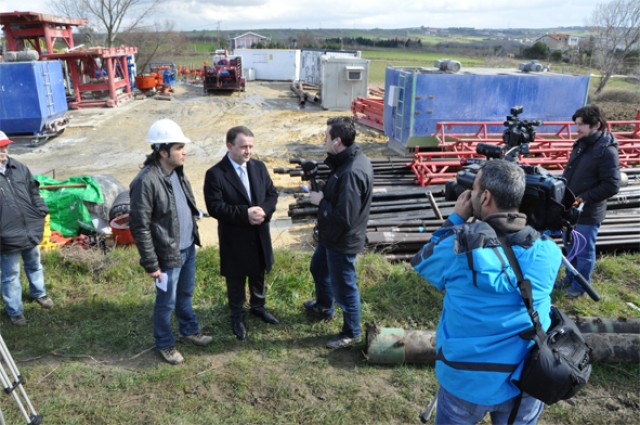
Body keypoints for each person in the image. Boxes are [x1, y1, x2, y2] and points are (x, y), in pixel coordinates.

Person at [411, 160, 562, 424]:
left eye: (475, 187)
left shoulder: (457, 246)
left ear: (486, 196)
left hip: (465, 379)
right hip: (525, 377)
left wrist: (456, 218)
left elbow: (423, 261)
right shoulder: (549, 252)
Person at [129, 119, 212, 365]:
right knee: (166, 302)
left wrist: (196, 213)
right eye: (179, 148)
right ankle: (164, 343)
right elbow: (140, 227)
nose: (184, 151)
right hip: (166, 257)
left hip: (187, 248)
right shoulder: (145, 181)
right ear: (162, 151)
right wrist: (151, 264)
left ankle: (188, 330)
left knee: (186, 293)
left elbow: (180, 205)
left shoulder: (176, 171)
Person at [303, 117, 374, 349]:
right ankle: (324, 306)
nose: (323, 139)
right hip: (331, 236)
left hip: (342, 240)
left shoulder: (352, 172)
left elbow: (345, 217)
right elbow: (344, 198)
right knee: (318, 268)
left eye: (326, 136)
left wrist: (321, 201)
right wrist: (327, 188)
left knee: (345, 286)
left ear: (338, 142)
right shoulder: (349, 160)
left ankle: (351, 331)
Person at [203, 126, 279, 341]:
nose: (248, 151)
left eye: (251, 146)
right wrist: (245, 214)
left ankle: (258, 306)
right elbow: (214, 207)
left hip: (259, 234)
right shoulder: (215, 174)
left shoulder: (259, 167)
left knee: (258, 273)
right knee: (235, 280)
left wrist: (265, 210)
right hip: (234, 238)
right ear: (229, 146)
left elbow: (272, 194)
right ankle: (237, 316)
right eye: (244, 146)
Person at [561, 105, 620, 298]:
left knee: (584, 251)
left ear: (596, 125)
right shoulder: (582, 143)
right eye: (576, 124)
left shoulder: (606, 151)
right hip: (571, 209)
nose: (576, 128)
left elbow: (611, 185)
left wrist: (583, 198)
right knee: (570, 247)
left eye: (581, 125)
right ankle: (571, 278)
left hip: (587, 212)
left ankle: (581, 287)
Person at [0, 131, 54, 326]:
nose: (4, 150)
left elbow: (33, 190)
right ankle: (15, 311)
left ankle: (39, 293)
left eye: (5, 146)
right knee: (11, 274)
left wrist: (40, 209)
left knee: (34, 264)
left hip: (29, 229)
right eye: (0, 147)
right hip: (6, 236)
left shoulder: (19, 167)